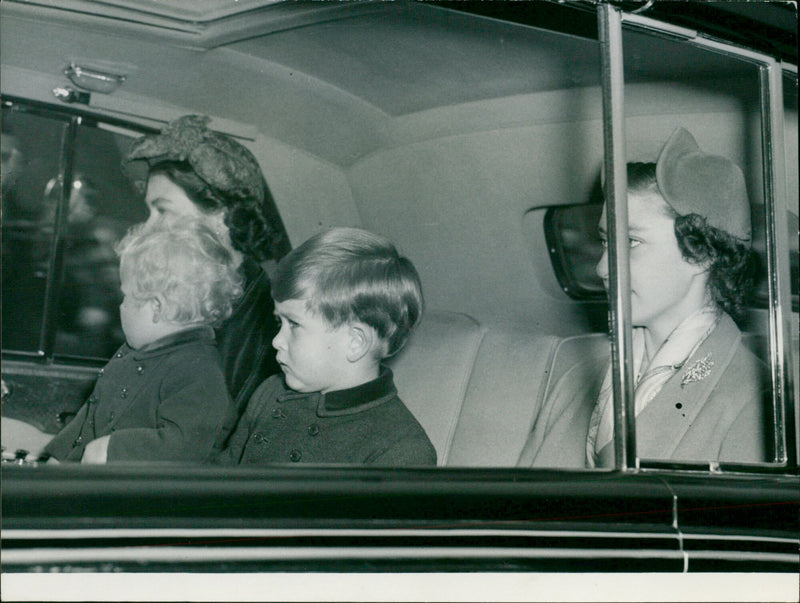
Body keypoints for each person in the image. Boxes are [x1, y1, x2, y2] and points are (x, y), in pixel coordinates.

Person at [518, 127, 767, 468]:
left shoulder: (759, 402)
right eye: (607, 242)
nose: (603, 268)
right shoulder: (576, 379)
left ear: (702, 254)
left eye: (631, 242)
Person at [214, 227, 437, 466]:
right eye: (280, 322)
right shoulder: (270, 392)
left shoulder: (401, 450)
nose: (276, 341)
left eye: (294, 324)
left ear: (355, 342)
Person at [124, 114, 290, 418]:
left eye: (162, 210)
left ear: (221, 217)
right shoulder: (179, 293)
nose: (148, 229)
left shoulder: (264, 318)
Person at [44, 218, 243, 463]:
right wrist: (58, 457)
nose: (121, 306)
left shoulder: (199, 372)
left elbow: (186, 444)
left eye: (126, 296)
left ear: (157, 307)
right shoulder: (131, 353)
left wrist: (112, 449)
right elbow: (90, 415)